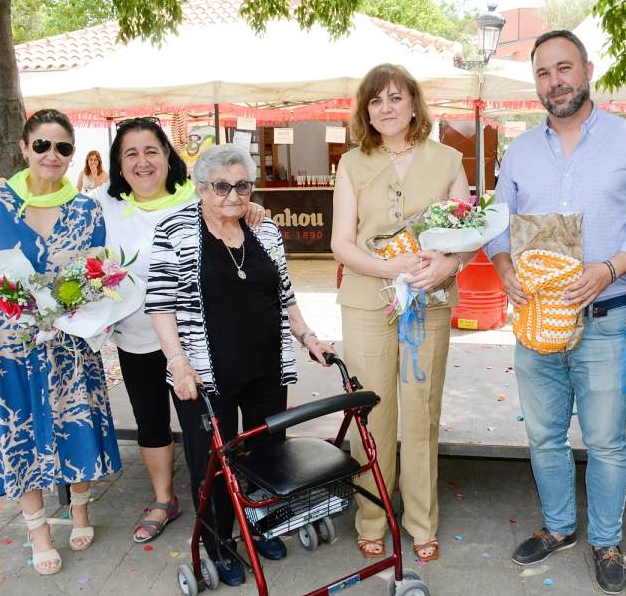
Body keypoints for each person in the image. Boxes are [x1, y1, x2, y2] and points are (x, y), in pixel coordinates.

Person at [483, 30, 626, 594]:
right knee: (544, 438)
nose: (554, 81)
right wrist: (505, 266)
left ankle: (606, 541)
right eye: (543, 73)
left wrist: (609, 269)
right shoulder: (518, 150)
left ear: (586, 70)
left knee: (607, 440)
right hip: (536, 320)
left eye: (564, 68)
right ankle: (559, 527)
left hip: (606, 318)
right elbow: (495, 222)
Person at [146, 144, 335, 586]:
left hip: (267, 366)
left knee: (267, 453)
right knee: (214, 461)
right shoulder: (173, 230)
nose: (232, 195)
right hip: (206, 373)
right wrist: (178, 363)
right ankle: (220, 543)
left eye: (242, 186)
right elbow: (159, 305)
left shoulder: (264, 229)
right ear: (201, 187)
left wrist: (307, 337)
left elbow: (284, 295)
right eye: (221, 186)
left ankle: (261, 523)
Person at [0, 109, 121, 575]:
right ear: (24, 148)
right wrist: (19, 302)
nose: (53, 155)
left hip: (68, 341)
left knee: (76, 420)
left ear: (72, 155)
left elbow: (95, 273)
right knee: (19, 429)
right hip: (9, 340)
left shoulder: (87, 209)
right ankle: (38, 528)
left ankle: (80, 506)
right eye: (42, 145)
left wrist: (73, 306)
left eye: (63, 147)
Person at [87, 118, 265, 544]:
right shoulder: (98, 205)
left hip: (197, 340)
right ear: (117, 162)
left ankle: (232, 499)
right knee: (151, 419)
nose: (142, 162)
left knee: (209, 428)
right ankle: (165, 499)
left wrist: (252, 208)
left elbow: (239, 212)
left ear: (168, 155)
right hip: (137, 335)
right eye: (130, 153)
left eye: (152, 151)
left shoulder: (201, 194)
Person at [331, 63, 476, 563]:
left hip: (429, 300)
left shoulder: (448, 159)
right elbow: (340, 243)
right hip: (368, 299)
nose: (386, 108)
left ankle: (421, 520)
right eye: (375, 101)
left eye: (395, 98)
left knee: (421, 412)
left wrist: (448, 264)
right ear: (365, 111)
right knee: (372, 412)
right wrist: (387, 266)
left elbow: (468, 235)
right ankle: (372, 515)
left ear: (413, 103)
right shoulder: (351, 163)